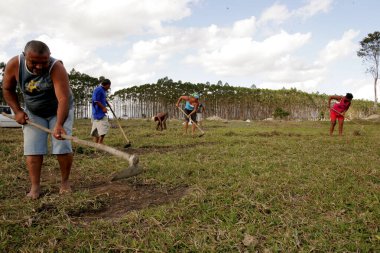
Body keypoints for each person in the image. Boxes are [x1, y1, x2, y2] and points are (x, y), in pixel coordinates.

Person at [2, 40, 74, 199]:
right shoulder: (15, 65)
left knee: (62, 145)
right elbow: (7, 89)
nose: (40, 67)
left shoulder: (57, 67)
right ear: (24, 56)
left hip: (59, 110)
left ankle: (64, 182)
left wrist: (59, 124)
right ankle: (35, 187)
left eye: (44, 62)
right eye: (34, 62)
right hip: (34, 112)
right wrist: (18, 111)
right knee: (33, 149)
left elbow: (63, 99)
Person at [91, 79, 111, 144]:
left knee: (96, 129)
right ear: (107, 85)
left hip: (98, 113)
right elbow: (96, 101)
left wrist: (106, 102)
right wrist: (103, 108)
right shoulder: (98, 90)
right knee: (104, 126)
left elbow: (102, 98)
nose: (109, 87)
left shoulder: (103, 90)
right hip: (99, 113)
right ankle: (100, 143)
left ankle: (97, 144)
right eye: (109, 86)